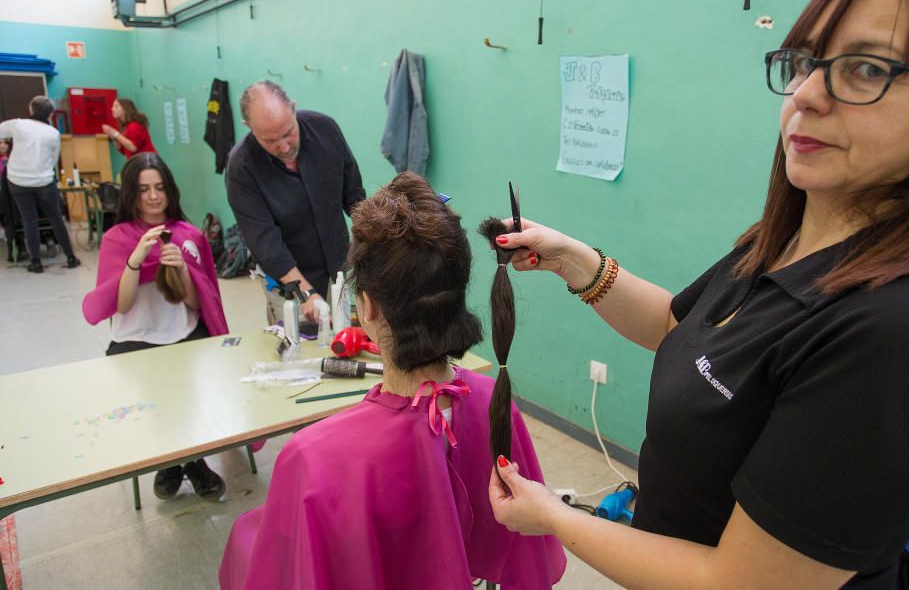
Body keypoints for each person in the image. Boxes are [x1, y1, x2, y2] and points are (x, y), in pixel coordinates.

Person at [487, 0, 909, 589]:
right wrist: (575, 261)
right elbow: (683, 332)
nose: (806, 95)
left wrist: (553, 516)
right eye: (806, 63)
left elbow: (743, 582)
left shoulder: (905, 333)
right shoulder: (785, 240)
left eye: (866, 69)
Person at [219, 173, 566, 590]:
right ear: (456, 297)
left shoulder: (310, 458)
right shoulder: (496, 398)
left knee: (244, 534)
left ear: (366, 307)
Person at [82, 152, 230, 500]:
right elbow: (121, 304)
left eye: (160, 188)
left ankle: (192, 461)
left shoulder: (189, 234)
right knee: (156, 407)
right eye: (144, 188)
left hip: (185, 334)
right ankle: (171, 463)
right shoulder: (117, 238)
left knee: (191, 398)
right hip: (136, 340)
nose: (152, 196)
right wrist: (135, 260)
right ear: (130, 193)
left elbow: (198, 303)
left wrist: (180, 269)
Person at [225, 80, 366, 322]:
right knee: (301, 354)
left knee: (343, 345)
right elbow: (266, 243)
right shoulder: (241, 168)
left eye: (288, 132)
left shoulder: (326, 129)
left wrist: (378, 243)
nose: (283, 146)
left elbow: (355, 197)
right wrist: (306, 293)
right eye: (269, 141)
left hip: (338, 271)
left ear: (292, 108)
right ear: (248, 127)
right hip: (288, 286)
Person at [0, 96, 79, 273]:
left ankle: (35, 262)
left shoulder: (17, 124)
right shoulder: (53, 133)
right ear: (50, 114)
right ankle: (71, 257)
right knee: (56, 218)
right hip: (43, 181)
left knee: (29, 220)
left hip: (17, 180)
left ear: (31, 109)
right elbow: (54, 159)